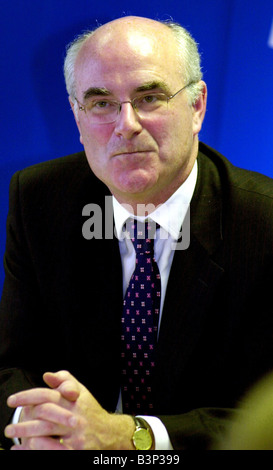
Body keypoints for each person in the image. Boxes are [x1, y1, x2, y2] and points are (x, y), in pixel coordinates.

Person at [0, 15, 273, 451]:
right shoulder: (39, 200)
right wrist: (36, 424)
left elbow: (262, 418)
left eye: (149, 97)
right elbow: (13, 363)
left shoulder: (264, 224)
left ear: (197, 106)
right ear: (77, 115)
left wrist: (129, 437)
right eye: (102, 103)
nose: (126, 124)